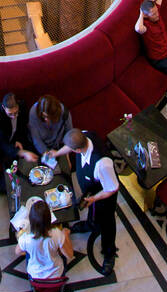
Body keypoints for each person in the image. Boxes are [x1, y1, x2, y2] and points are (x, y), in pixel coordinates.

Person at [54, 128, 119, 277]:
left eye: (70, 150)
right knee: (93, 213)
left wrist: (94, 198)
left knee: (107, 223)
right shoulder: (84, 135)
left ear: (77, 149)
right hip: (91, 191)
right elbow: (69, 147)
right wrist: (56, 153)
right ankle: (89, 224)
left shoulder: (103, 163)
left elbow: (112, 188)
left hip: (104, 196)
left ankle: (109, 253)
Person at [0, 91, 37, 209]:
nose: (14, 116)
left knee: (12, 170)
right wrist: (23, 152)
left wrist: (19, 140)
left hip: (12, 143)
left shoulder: (22, 107)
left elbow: (22, 126)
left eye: (16, 113)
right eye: (10, 114)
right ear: (3, 108)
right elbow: (1, 141)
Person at [15, 197, 74, 282]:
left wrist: (31, 251)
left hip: (35, 276)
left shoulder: (25, 238)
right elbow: (70, 255)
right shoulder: (57, 233)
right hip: (56, 274)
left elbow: (18, 252)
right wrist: (66, 235)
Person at [28, 94, 73, 159]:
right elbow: (36, 139)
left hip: (59, 148)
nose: (46, 119)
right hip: (40, 149)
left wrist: (65, 153)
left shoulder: (64, 113)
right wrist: (47, 154)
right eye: (44, 116)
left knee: (65, 168)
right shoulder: (33, 112)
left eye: (49, 117)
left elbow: (70, 135)